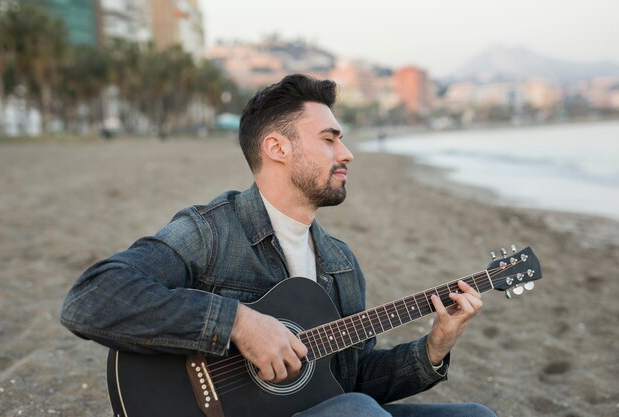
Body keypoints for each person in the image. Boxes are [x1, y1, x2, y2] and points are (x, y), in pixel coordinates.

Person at [60, 74, 496, 417]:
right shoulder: (210, 232)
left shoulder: (340, 263)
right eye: (329, 139)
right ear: (276, 148)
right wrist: (238, 323)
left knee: (475, 414)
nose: (347, 153)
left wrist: (434, 348)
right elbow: (91, 297)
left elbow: (351, 380)